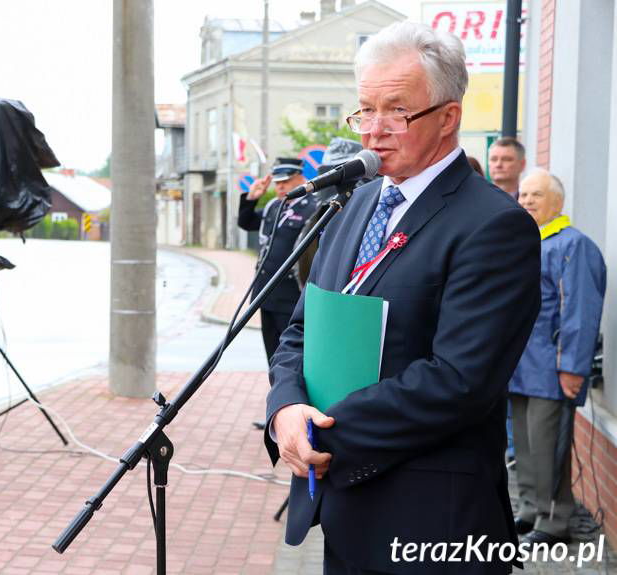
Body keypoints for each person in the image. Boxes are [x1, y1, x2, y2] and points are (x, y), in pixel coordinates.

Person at [265, 21, 541, 573]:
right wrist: (286, 409)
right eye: (365, 110)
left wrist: (323, 430)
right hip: (341, 509)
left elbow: (458, 380)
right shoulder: (354, 205)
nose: (374, 131)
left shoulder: (494, 225)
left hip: (430, 523)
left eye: (396, 111)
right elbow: (302, 329)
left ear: (448, 117)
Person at [510, 169, 605, 546]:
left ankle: (553, 520)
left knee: (548, 446)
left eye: (536, 195)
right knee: (525, 444)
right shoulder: (526, 242)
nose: (527, 201)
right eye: (523, 195)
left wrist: (572, 367)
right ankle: (531, 508)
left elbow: (580, 311)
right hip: (520, 366)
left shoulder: (573, 245)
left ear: (558, 202)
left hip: (551, 368)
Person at [238, 157, 316, 367]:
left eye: (286, 181)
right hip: (266, 293)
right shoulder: (274, 206)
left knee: (291, 356)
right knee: (272, 355)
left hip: (292, 295)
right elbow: (246, 222)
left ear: (300, 178)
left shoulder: (312, 207)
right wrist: (251, 198)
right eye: (277, 182)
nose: (280, 187)